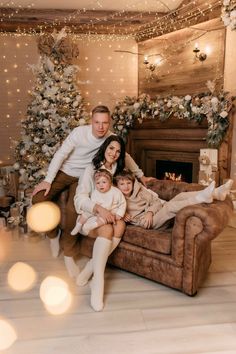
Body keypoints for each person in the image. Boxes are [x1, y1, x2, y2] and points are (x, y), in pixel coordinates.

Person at [32, 105, 151, 278]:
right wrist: (48, 180)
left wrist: (141, 175)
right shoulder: (79, 133)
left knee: (74, 211)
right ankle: (52, 234)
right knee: (37, 200)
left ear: (109, 123)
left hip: (84, 176)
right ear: (91, 121)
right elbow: (60, 154)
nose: (101, 127)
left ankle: (68, 255)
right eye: (97, 122)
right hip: (65, 172)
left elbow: (125, 156)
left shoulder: (110, 138)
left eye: (105, 123)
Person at [74, 135, 149, 312]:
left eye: (118, 151)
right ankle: (98, 283)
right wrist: (99, 209)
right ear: (104, 147)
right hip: (90, 217)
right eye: (111, 148)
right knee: (107, 229)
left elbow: (125, 191)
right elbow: (79, 199)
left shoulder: (118, 170)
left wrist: (143, 178)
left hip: (113, 215)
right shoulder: (91, 169)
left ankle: (90, 267)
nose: (114, 153)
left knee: (121, 225)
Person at [114, 170, 234, 230]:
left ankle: (216, 193)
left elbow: (155, 201)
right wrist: (121, 214)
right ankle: (201, 198)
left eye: (128, 183)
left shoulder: (139, 190)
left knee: (180, 197)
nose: (126, 186)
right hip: (149, 223)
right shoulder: (117, 198)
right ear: (117, 186)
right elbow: (112, 210)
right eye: (122, 184)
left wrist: (150, 212)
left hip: (153, 214)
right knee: (170, 207)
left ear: (133, 183)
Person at [71, 169, 126, 236]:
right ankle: (78, 225)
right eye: (98, 183)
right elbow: (93, 202)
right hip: (98, 211)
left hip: (110, 212)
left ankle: (91, 226)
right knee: (86, 213)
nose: (101, 185)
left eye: (104, 182)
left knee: (103, 220)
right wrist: (95, 211)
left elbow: (123, 203)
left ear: (110, 183)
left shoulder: (116, 192)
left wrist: (119, 214)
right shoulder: (95, 192)